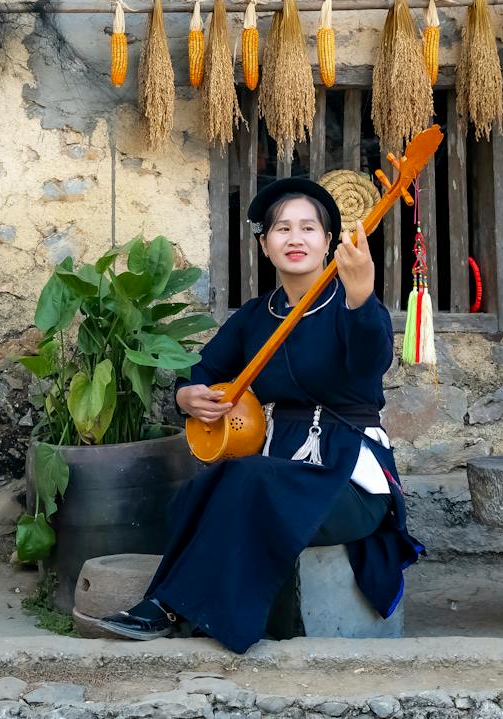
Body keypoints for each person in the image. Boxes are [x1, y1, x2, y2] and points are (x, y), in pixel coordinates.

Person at [98, 176, 422, 651]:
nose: (295, 238)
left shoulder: (349, 303)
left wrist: (361, 296)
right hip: (277, 467)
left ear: (329, 241)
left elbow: (371, 361)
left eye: (309, 229)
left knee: (247, 479)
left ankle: (166, 607)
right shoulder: (255, 316)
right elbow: (201, 370)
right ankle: (186, 606)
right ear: (264, 245)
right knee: (203, 487)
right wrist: (187, 395)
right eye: (282, 229)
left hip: (345, 478)